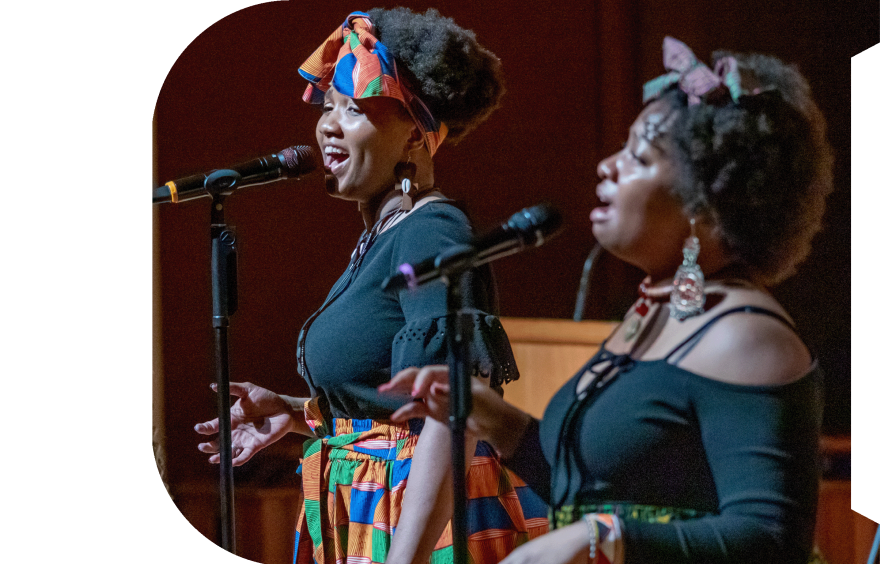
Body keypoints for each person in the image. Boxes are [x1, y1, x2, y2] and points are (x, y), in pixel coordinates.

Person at [382, 36, 833, 564]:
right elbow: (592, 492)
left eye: (639, 156)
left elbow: (774, 541)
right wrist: (493, 418)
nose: (608, 165)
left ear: (705, 203)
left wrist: (602, 538)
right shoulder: (652, 316)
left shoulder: (747, 336)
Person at [194, 8, 548, 564]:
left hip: (416, 518)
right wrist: (295, 413)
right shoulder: (385, 235)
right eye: (328, 106)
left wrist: (404, 554)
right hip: (371, 507)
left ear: (414, 134)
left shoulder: (430, 230)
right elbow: (390, 404)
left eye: (354, 109)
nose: (328, 125)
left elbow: (452, 414)